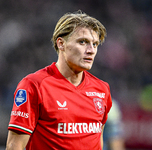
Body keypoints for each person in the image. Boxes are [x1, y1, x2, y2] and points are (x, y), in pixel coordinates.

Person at [6, 10, 112, 150]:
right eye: (83, 42)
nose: (91, 50)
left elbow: (97, 141)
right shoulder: (34, 85)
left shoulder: (102, 89)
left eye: (95, 44)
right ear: (61, 44)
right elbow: (14, 145)